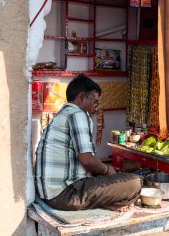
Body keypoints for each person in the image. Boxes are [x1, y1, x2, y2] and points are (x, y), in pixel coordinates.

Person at [35, 73, 141, 212]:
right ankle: (107, 202)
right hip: (64, 195)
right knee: (134, 183)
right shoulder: (77, 114)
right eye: (95, 102)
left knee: (115, 177)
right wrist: (107, 170)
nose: (96, 107)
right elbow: (87, 160)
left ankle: (105, 202)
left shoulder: (63, 114)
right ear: (81, 98)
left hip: (51, 193)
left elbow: (87, 162)